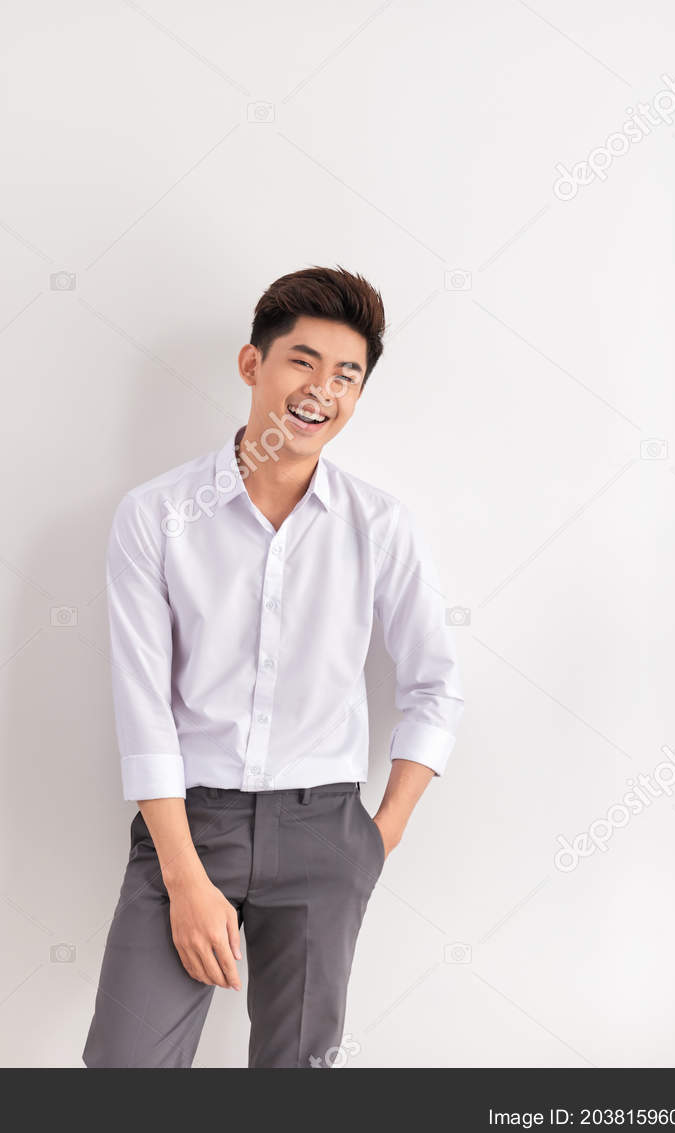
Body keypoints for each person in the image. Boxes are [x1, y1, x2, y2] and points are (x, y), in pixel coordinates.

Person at [82, 265, 465, 1068]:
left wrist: (375, 838)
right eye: (302, 360)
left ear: (357, 395)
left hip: (327, 829)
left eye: (346, 375)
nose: (321, 389)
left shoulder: (379, 526)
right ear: (253, 365)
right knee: (127, 1065)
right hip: (191, 829)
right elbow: (142, 703)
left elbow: (434, 686)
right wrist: (184, 877)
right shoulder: (157, 516)